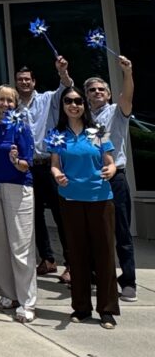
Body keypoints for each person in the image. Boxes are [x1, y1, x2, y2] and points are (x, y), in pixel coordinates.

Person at [50, 86, 118, 329]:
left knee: (104, 254)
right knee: (77, 255)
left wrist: (110, 170)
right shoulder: (57, 134)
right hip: (70, 200)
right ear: (63, 106)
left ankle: (107, 309)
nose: (74, 105)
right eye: (68, 101)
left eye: (78, 101)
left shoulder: (98, 131)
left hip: (99, 198)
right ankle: (81, 307)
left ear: (84, 105)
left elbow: (110, 162)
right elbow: (55, 165)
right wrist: (57, 175)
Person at [78, 57, 135, 303]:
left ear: (109, 94)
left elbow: (128, 96)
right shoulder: (81, 117)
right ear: (86, 95)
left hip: (116, 177)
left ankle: (128, 281)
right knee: (93, 232)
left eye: (101, 89)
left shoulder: (117, 112)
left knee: (121, 231)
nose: (97, 92)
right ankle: (96, 275)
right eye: (92, 90)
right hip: (90, 180)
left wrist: (127, 73)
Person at [13, 58, 72, 282]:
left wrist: (63, 72)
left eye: (27, 79)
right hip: (28, 168)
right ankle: (47, 258)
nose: (24, 83)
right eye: (20, 80)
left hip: (50, 165)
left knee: (60, 215)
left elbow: (66, 87)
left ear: (34, 81)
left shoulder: (48, 99)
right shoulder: (15, 107)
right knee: (34, 215)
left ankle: (71, 263)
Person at [0, 84, 36, 323]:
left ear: (16, 105)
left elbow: (28, 162)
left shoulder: (21, 128)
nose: (5, 105)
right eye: (1, 100)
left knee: (20, 247)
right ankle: (7, 294)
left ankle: (27, 301)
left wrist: (16, 162)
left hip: (17, 188)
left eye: (10, 101)